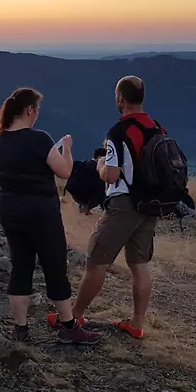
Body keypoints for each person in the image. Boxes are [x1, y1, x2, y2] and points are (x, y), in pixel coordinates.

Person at [0, 88, 100, 345]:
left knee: (20, 265)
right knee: (54, 266)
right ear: (30, 110)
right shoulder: (40, 139)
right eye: (37, 109)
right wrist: (67, 149)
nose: (38, 113)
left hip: (9, 208)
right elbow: (64, 171)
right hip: (40, 210)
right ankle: (68, 327)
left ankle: (20, 328)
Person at [67, 76, 166, 340]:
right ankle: (136, 324)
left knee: (96, 260)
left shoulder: (119, 131)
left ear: (120, 99)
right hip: (150, 205)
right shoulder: (156, 127)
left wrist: (100, 166)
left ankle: (73, 318)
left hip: (124, 204)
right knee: (139, 264)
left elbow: (111, 176)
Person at [65, 147, 107, 215]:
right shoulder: (97, 170)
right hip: (88, 196)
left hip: (76, 195)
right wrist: (104, 207)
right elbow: (100, 189)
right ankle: (87, 207)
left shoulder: (85, 164)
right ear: (99, 157)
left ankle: (83, 206)